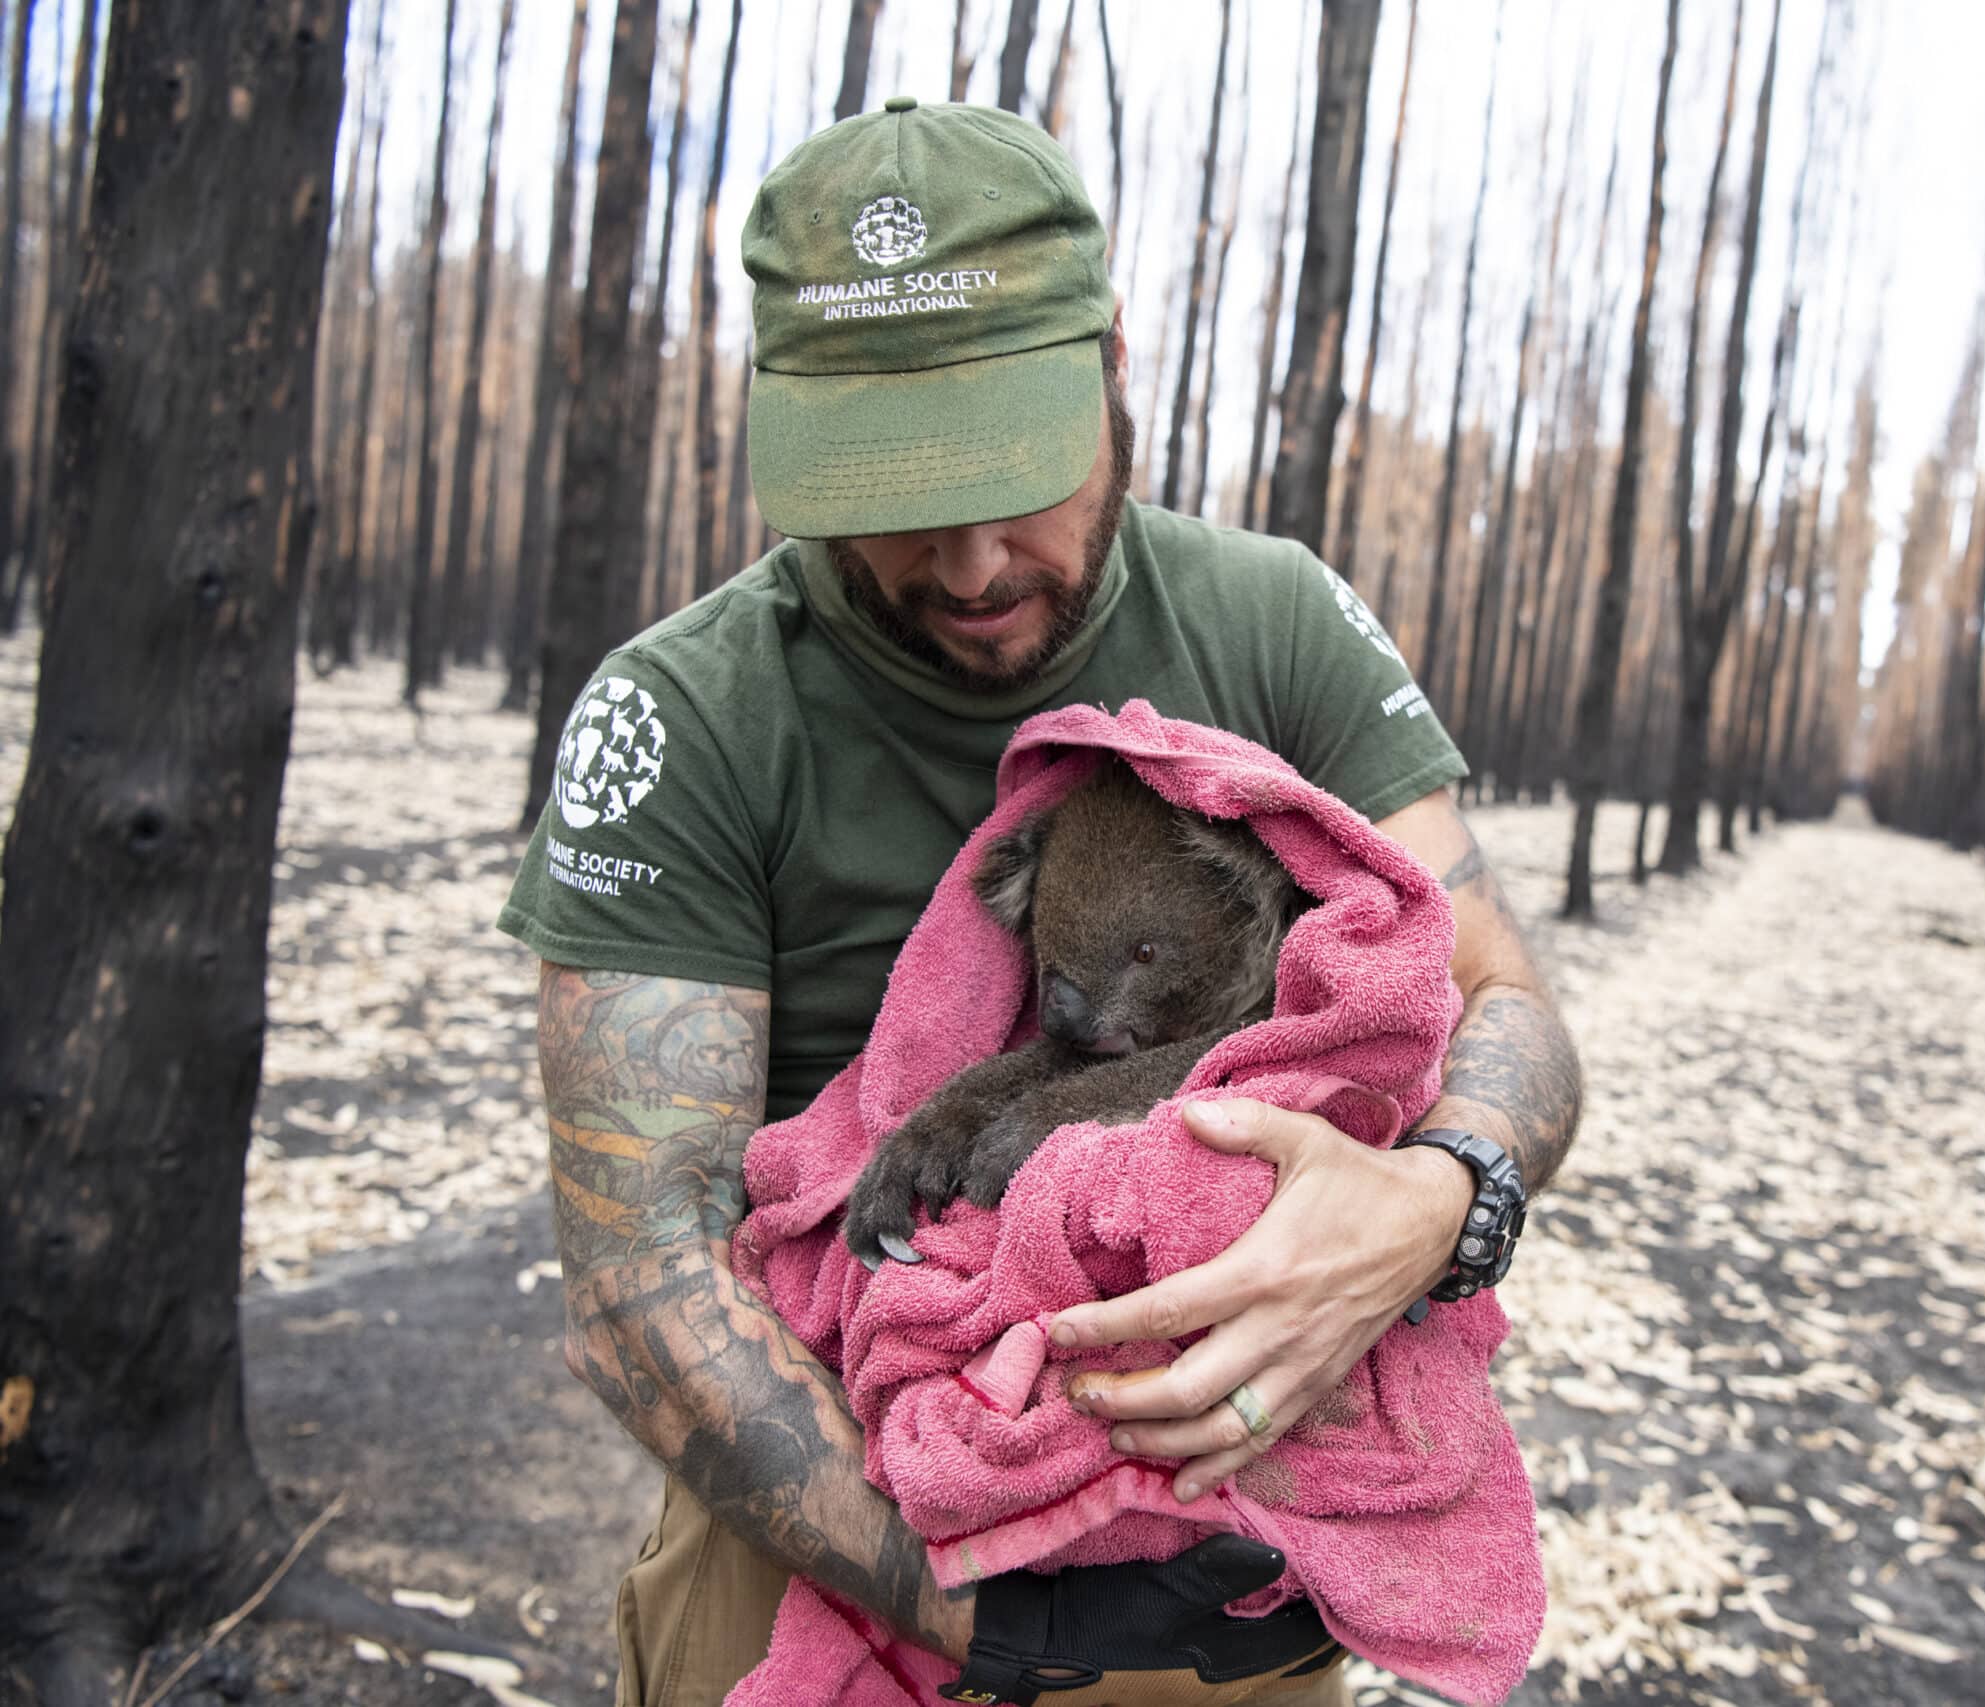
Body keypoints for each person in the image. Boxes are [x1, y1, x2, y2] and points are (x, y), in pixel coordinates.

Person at [500, 97, 1582, 1707]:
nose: (977, 557)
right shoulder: (696, 713)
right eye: (899, 490)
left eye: (1022, 468)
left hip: (1217, 1520)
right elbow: (637, 1280)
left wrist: (1436, 1205)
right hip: (826, 1526)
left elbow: (1506, 1003)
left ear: (1115, 364)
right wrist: (975, 1606)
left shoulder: (1273, 626)